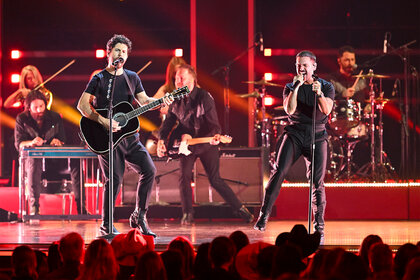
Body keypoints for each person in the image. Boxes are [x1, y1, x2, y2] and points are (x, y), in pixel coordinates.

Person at [77, 34, 173, 237]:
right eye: (118, 50)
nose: (121, 54)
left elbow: (144, 100)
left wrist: (161, 100)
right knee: (114, 180)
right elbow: (82, 105)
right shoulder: (100, 78)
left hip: (130, 137)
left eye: (124, 51)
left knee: (149, 170)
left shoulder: (132, 78)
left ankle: (140, 216)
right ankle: (106, 224)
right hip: (107, 139)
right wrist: (103, 121)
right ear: (109, 52)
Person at [156, 64, 254, 225]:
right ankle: (188, 213)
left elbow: (214, 125)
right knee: (184, 176)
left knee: (215, 179)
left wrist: (215, 137)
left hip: (205, 141)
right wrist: (161, 139)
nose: (179, 82)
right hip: (186, 144)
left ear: (193, 79)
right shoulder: (176, 98)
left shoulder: (204, 97)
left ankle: (241, 209)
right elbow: (169, 122)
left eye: (182, 79)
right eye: (177, 79)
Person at [254, 51, 334, 243]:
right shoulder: (290, 86)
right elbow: (289, 109)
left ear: (314, 66)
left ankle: (319, 226)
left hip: (317, 135)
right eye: (298, 65)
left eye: (305, 65)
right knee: (279, 171)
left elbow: (327, 110)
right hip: (295, 134)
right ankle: (264, 215)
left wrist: (319, 94)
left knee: (317, 181)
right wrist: (297, 88)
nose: (301, 68)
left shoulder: (326, 86)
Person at [14, 90, 86, 215]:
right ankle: (34, 208)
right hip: (35, 162)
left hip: (55, 160)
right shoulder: (21, 119)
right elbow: (19, 144)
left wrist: (57, 142)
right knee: (34, 160)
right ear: (28, 108)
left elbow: (62, 139)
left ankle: (81, 208)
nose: (39, 110)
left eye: (41, 106)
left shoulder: (55, 117)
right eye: (35, 107)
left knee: (76, 161)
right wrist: (31, 142)